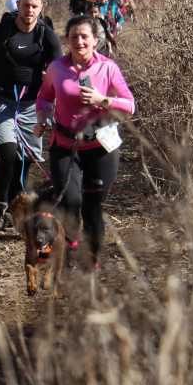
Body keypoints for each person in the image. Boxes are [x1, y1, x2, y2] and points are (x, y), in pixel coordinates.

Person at [35, 15, 134, 270]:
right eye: (73, 37)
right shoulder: (57, 68)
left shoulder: (108, 68)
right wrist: (42, 119)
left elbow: (129, 105)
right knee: (70, 203)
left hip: (100, 147)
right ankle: (71, 246)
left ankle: (92, 261)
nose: (79, 41)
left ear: (95, 41)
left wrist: (103, 100)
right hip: (64, 145)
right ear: (66, 39)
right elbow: (44, 97)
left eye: (84, 37)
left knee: (92, 208)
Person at [0, 0, 64, 230]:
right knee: (8, 151)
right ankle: (0, 205)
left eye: (34, 6)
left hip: (33, 105)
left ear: (40, 7)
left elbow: (60, 70)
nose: (29, 10)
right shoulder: (2, 30)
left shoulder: (46, 35)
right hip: (3, 101)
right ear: (18, 5)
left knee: (25, 160)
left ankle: (15, 208)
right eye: (25, 5)